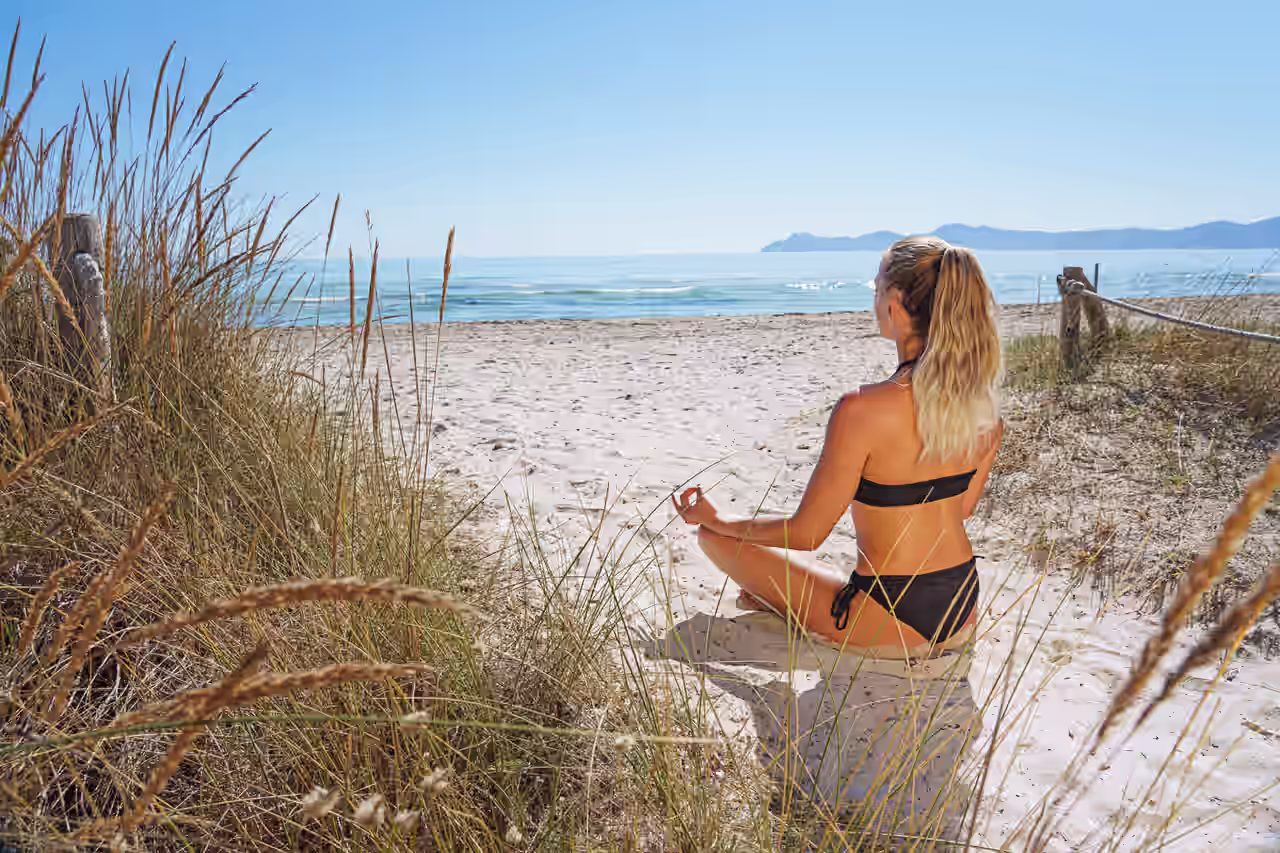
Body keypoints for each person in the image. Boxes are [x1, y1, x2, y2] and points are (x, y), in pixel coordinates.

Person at [672, 236, 1004, 659]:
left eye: (877, 287)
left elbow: (808, 534)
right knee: (803, 573)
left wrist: (720, 519)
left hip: (888, 614)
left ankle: (783, 603)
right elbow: (959, 510)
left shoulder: (862, 408)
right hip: (961, 604)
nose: (874, 298)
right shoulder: (985, 411)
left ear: (895, 304)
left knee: (715, 540)